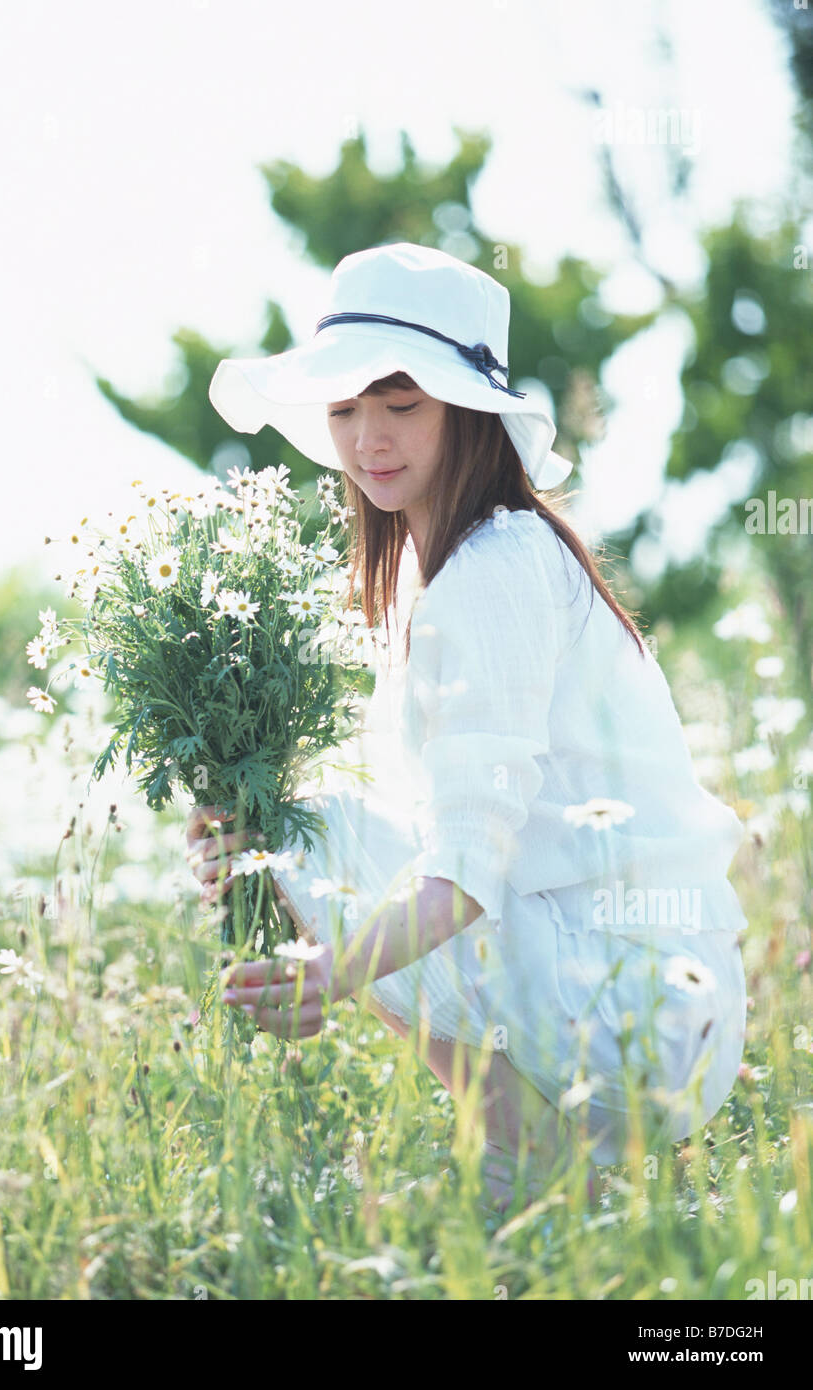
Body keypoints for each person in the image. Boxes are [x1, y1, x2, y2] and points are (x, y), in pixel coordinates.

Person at [189, 242, 748, 1216]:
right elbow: (418, 810)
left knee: (308, 828)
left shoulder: (489, 570)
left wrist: (328, 963)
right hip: (655, 994)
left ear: (465, 410)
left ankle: (522, 1165)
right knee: (293, 827)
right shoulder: (471, 563)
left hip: (633, 1006)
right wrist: (246, 846)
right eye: (346, 407)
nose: (370, 437)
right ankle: (538, 1169)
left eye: (401, 402)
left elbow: (462, 874)